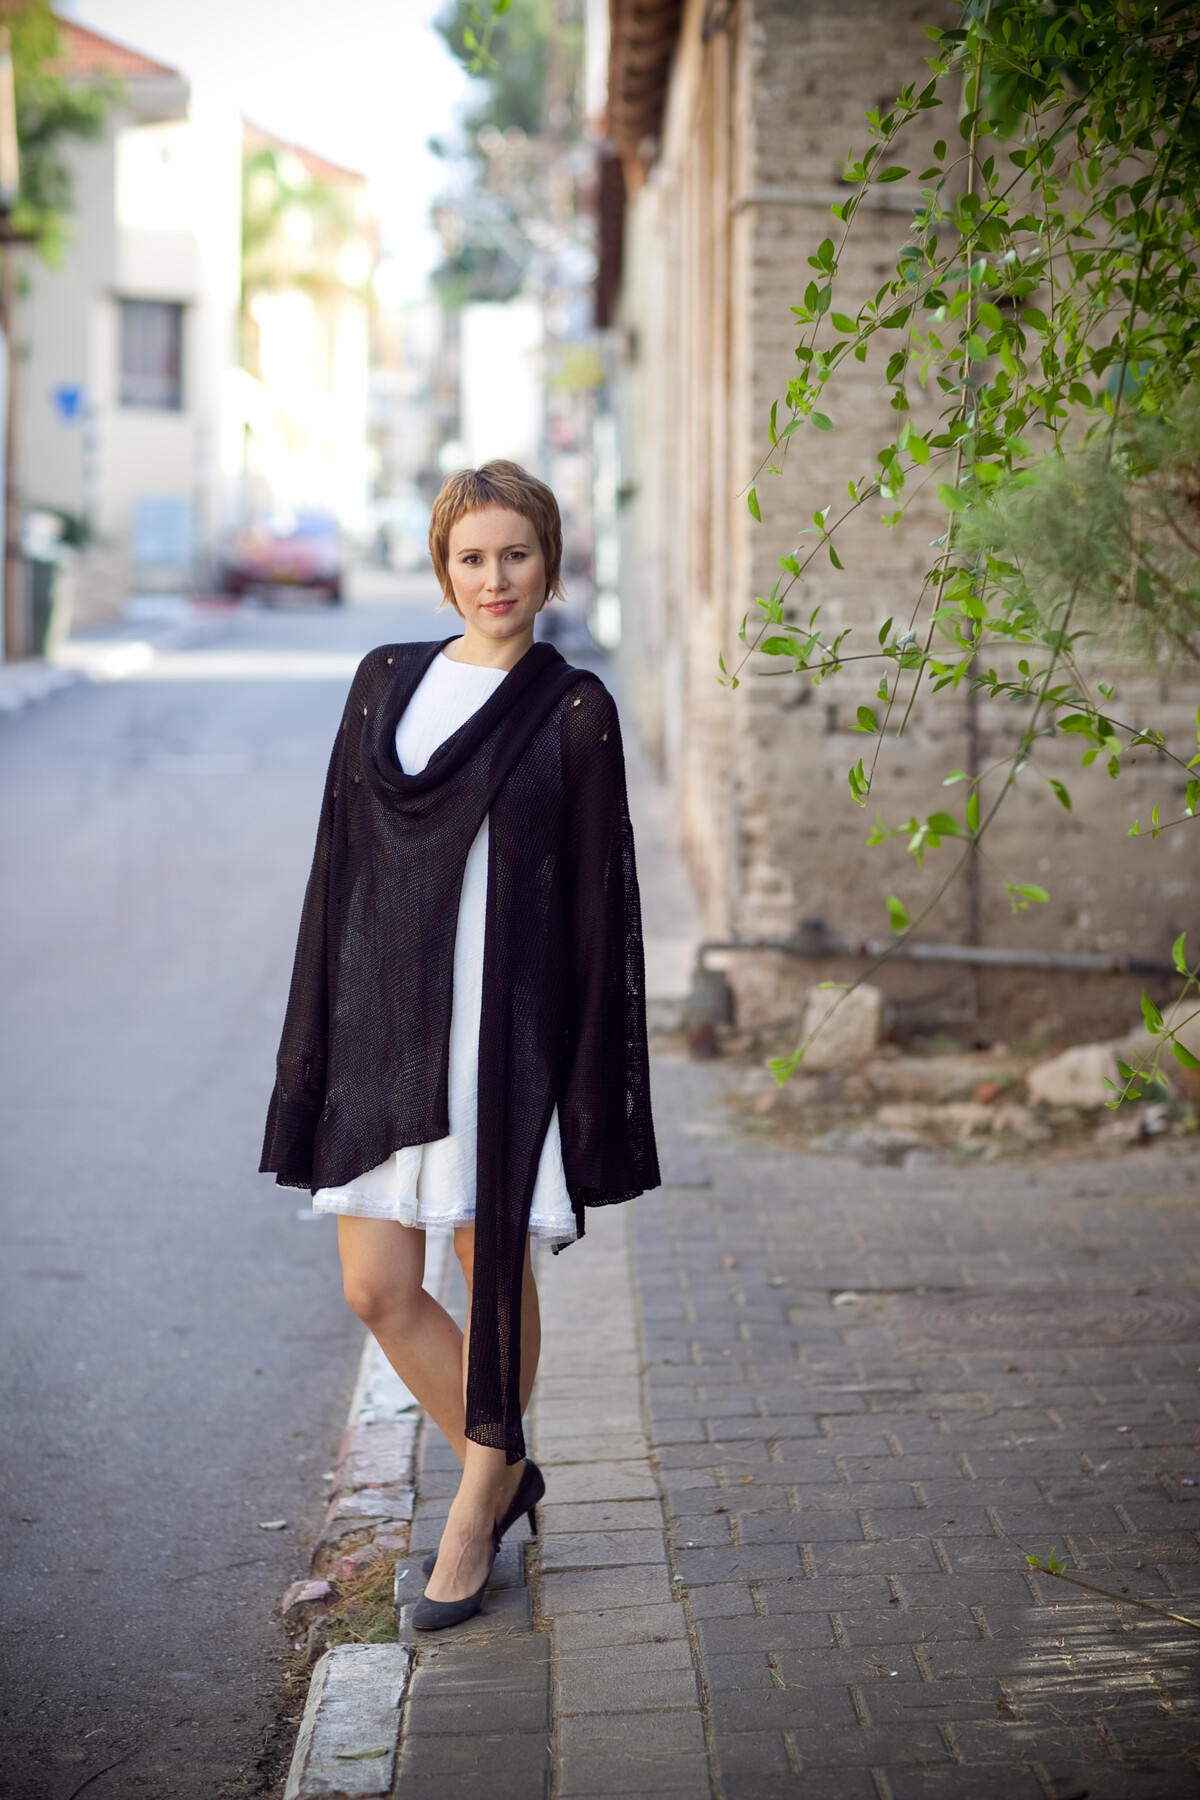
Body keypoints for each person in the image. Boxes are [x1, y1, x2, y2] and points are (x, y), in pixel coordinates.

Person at [260, 460, 659, 1631]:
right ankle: (511, 1466)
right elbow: (340, 869)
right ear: (443, 569)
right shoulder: (385, 682)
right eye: (473, 557)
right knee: (377, 1287)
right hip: (388, 1027)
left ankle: (477, 1508)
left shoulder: (573, 707)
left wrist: (582, 1077)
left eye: (516, 554)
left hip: (507, 1034)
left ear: (550, 563)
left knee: (492, 1269)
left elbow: (599, 904)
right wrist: (321, 1037)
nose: (496, 578)